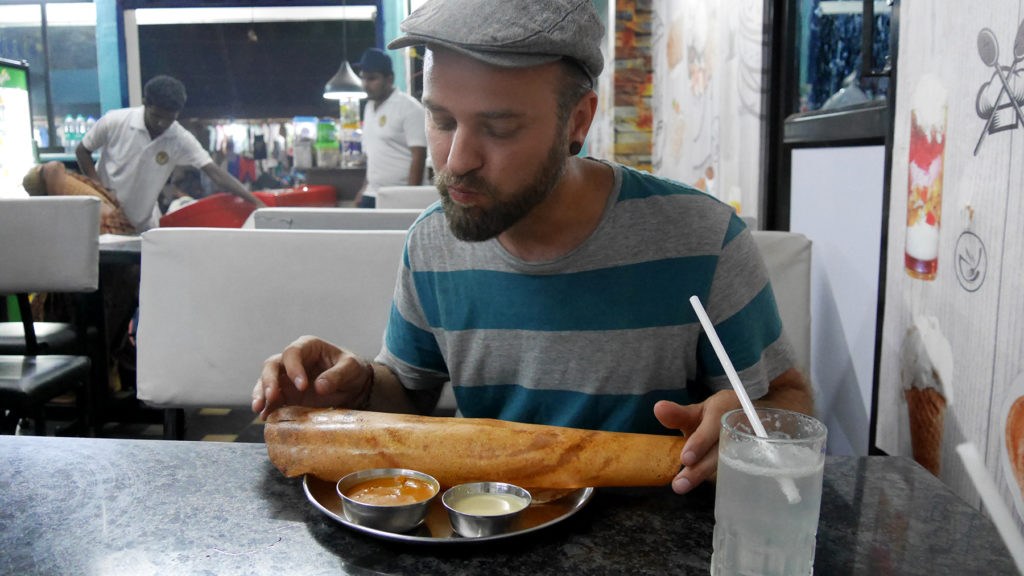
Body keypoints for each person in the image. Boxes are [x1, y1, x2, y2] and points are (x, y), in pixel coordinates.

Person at [252, 0, 813, 496]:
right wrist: (357, 389)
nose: (455, 160)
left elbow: (792, 402)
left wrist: (747, 422)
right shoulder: (432, 242)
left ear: (578, 121)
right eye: (442, 119)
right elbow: (411, 395)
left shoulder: (701, 239)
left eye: (497, 128)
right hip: (488, 527)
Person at [76, 75, 265, 232]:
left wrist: (254, 201)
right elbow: (82, 150)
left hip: (141, 225)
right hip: (104, 217)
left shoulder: (179, 138)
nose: (162, 124)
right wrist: (99, 188)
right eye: (157, 116)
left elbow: (214, 172)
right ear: (145, 104)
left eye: (169, 119)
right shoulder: (115, 121)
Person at [350, 48, 428, 208]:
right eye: (363, 79)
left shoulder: (410, 108)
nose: (365, 85)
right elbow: (374, 155)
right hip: (371, 193)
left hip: (399, 195)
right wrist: (363, 189)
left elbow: (419, 156)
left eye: (372, 79)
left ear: (389, 79)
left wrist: (411, 197)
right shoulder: (369, 108)